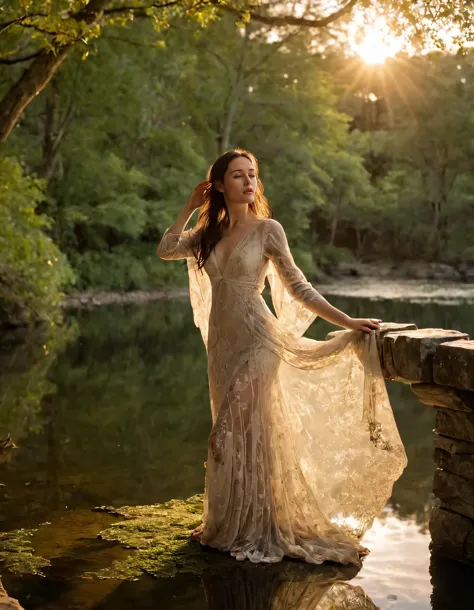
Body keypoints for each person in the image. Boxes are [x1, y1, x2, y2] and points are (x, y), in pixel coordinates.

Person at [157, 148, 407, 566]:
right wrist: (189, 206)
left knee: (226, 431)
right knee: (246, 431)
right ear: (218, 185)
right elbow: (166, 248)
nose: (248, 181)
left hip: (259, 341)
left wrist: (346, 319)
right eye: (237, 176)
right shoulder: (209, 233)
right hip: (222, 345)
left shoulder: (268, 229)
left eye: (252, 174)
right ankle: (236, 524)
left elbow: (298, 287)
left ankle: (263, 526)